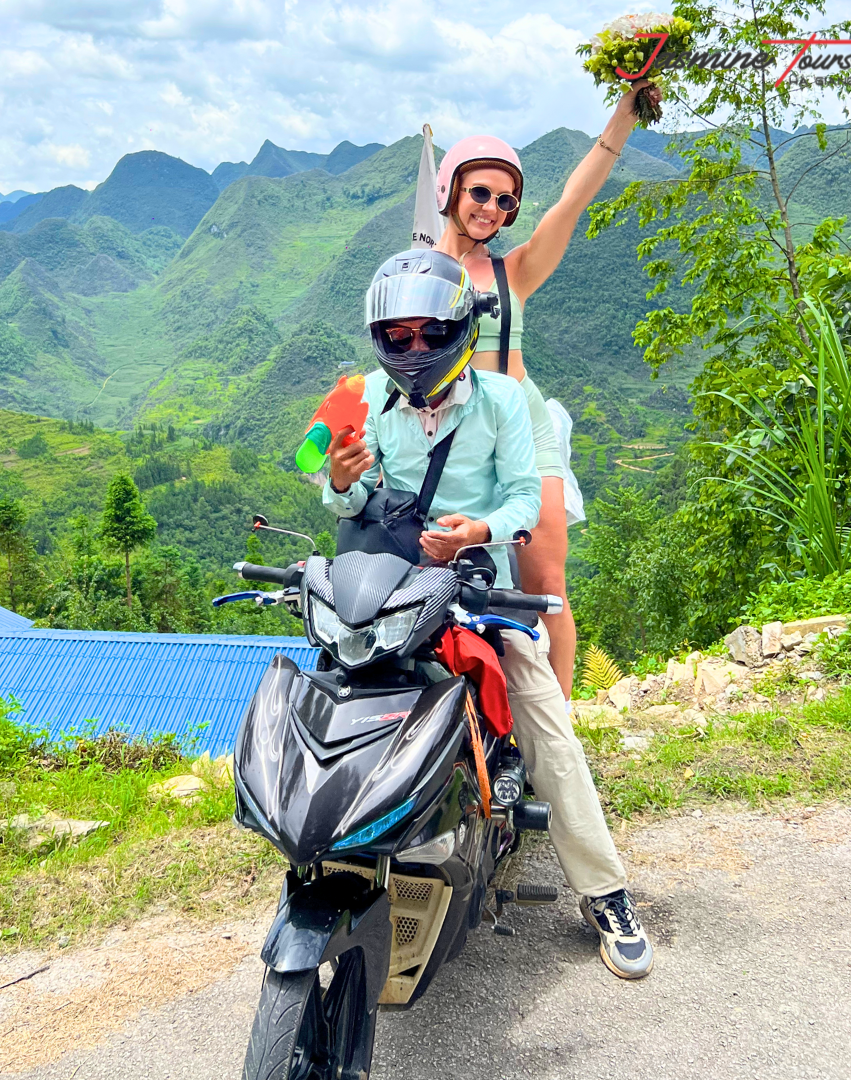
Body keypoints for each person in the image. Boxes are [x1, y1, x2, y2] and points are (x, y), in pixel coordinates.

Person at [323, 248, 653, 979]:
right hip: (390, 590)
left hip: (477, 588)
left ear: (461, 331)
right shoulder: (360, 394)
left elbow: (524, 502)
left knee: (544, 720)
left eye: (429, 335)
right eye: (397, 337)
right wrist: (339, 485)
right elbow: (338, 490)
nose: (412, 351)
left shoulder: (506, 400)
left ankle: (605, 893)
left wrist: (478, 531)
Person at [433, 80, 662, 699]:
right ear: (450, 190)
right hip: (449, 435)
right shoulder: (416, 271)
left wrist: (624, 114)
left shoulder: (514, 272)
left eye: (505, 201)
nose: (491, 208)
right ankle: (459, 720)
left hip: (524, 429)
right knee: (440, 581)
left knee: (546, 585)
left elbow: (572, 200)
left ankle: (557, 725)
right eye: (479, 192)